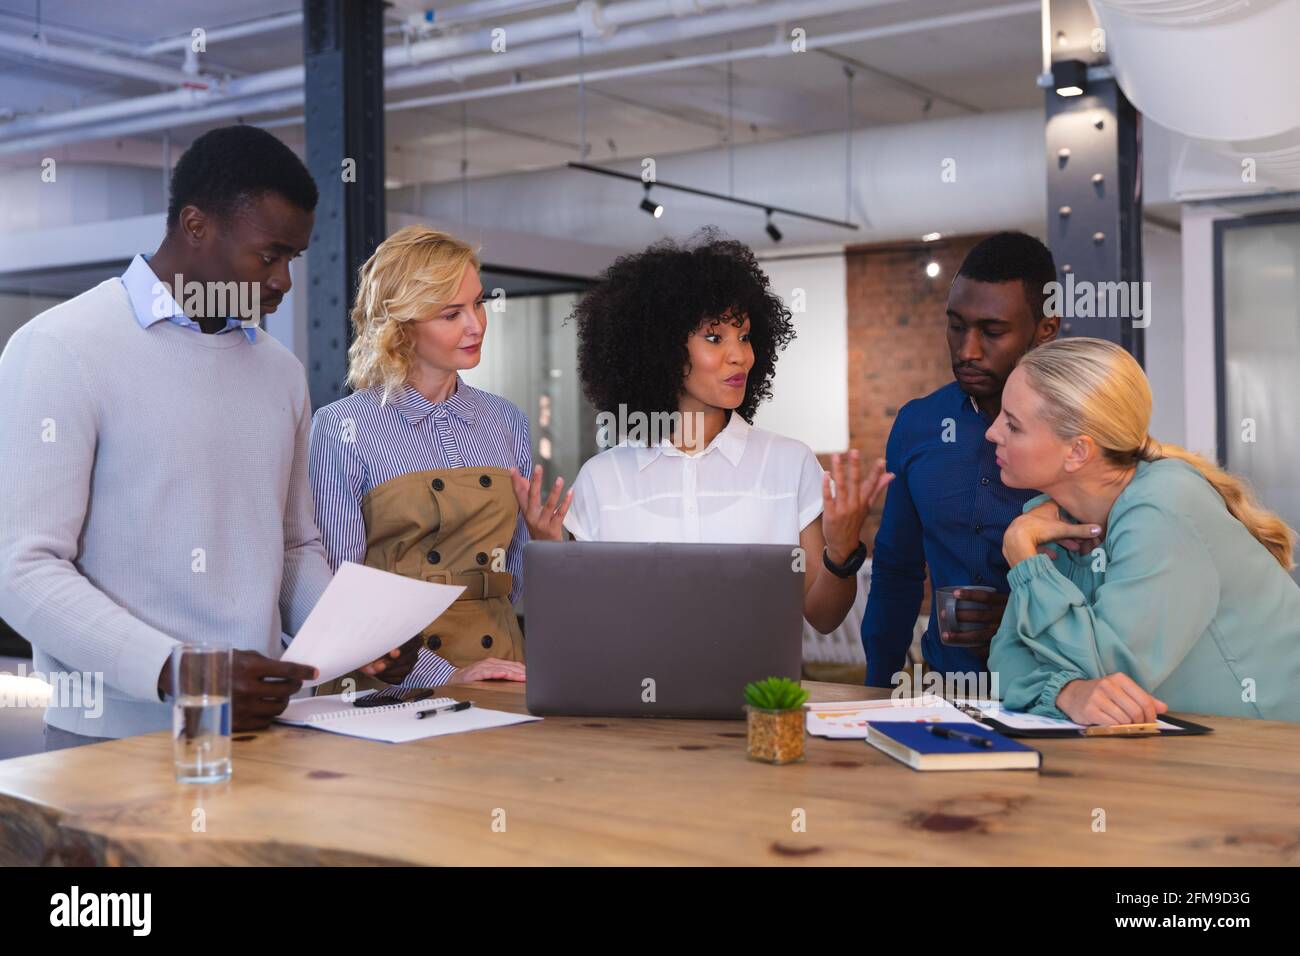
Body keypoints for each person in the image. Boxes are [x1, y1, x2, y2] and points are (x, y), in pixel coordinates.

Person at [0, 125, 416, 750]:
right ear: (195, 226)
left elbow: (293, 547)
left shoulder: (281, 372)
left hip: (267, 728)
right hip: (115, 739)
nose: (283, 281)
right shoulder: (61, 348)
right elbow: (21, 570)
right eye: (268, 255)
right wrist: (185, 673)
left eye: (293, 259)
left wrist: (352, 636)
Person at [561, 231, 889, 634]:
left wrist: (842, 552)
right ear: (658, 347)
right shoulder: (602, 479)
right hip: (633, 693)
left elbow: (823, 617)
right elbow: (584, 624)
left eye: (745, 336)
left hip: (762, 697)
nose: (740, 355)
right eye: (714, 338)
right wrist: (550, 555)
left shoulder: (789, 463)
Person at [987, 337, 1300, 723]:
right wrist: (1065, 693)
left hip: (1271, 752)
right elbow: (1006, 659)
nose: (992, 432)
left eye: (1013, 425)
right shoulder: (1049, 520)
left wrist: (1025, 561)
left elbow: (1109, 670)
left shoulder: (1164, 507)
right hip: (1188, 752)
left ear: (1077, 452)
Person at [310, 226, 541, 694]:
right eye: (451, 313)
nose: (476, 324)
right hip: (387, 685)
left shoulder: (507, 422)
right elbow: (342, 592)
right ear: (402, 325)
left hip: (500, 671)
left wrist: (550, 545)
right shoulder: (343, 428)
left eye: (478, 303)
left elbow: (510, 583)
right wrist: (444, 675)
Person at [860, 232, 1060, 688]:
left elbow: (1121, 582)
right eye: (955, 325)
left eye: (992, 332)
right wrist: (876, 689)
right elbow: (897, 570)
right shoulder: (918, 425)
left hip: (1059, 697)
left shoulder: (1085, 435)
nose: (967, 350)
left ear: (1045, 329)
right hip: (945, 694)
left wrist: (1018, 617)